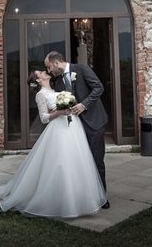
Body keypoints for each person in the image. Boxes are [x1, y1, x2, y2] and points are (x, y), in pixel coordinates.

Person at [0, 70, 107, 218]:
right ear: (38, 81)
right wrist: (60, 112)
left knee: (76, 161)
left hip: (73, 128)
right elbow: (44, 118)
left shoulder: (56, 88)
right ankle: (60, 200)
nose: (44, 72)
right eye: (40, 73)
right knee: (61, 162)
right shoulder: (41, 95)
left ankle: (79, 198)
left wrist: (69, 108)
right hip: (58, 130)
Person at [44, 51, 110, 209]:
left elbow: (98, 88)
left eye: (49, 67)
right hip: (75, 129)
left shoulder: (81, 69)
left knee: (96, 160)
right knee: (80, 163)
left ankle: (102, 197)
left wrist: (84, 104)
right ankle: (84, 196)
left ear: (56, 63)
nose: (49, 71)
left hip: (94, 123)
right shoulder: (58, 82)